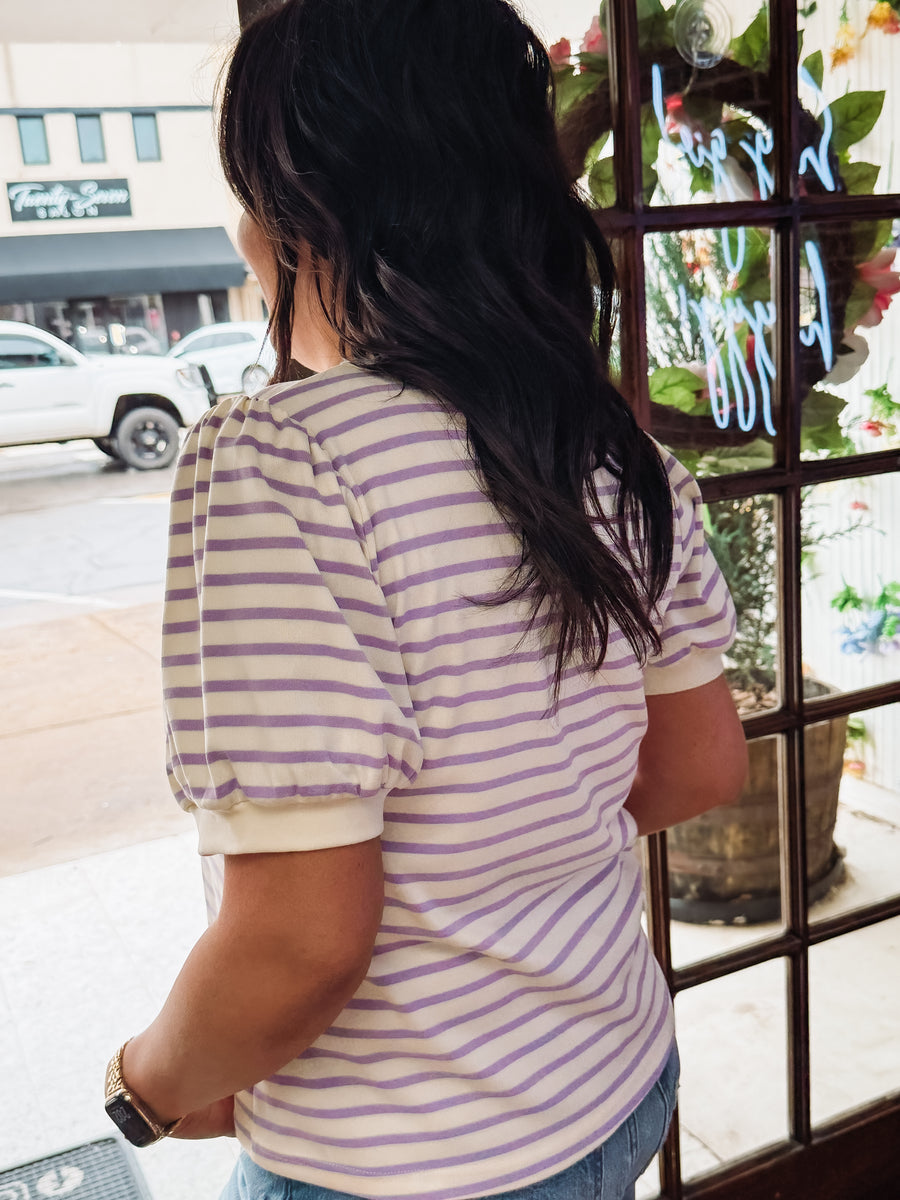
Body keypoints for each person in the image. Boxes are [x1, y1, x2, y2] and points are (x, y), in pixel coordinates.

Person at [103, 2, 747, 1197]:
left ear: (307, 215)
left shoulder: (277, 461)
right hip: (616, 1082)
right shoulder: (608, 445)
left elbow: (302, 939)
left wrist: (145, 1088)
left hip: (406, 1163)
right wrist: (519, 850)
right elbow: (701, 766)